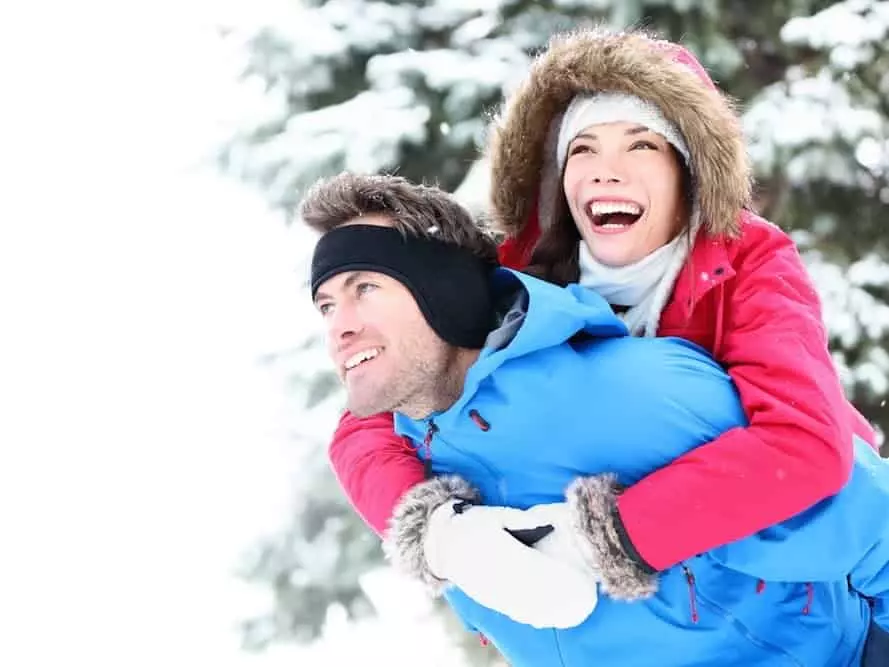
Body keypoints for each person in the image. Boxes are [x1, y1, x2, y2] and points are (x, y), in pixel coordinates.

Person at [325, 25, 878, 605]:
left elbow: (804, 443)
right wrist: (441, 534)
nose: (605, 171)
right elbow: (372, 414)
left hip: (818, 576)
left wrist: (610, 536)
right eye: (583, 148)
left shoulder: (748, 261)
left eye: (641, 145)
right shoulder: (519, 278)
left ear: (687, 173)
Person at [304, 171, 889, 666]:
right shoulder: (421, 468)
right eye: (326, 304)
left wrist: (621, 534)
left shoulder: (631, 394)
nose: (339, 325)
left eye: (366, 289)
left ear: (444, 292)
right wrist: (438, 535)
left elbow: (872, 523)